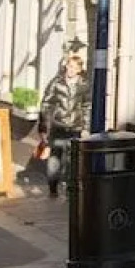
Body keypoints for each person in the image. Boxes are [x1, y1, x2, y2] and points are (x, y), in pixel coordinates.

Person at [38, 54, 89, 198]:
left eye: (73, 67)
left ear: (79, 69)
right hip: (58, 126)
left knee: (72, 160)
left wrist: (86, 128)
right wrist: (43, 127)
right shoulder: (56, 83)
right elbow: (45, 104)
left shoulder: (84, 85)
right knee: (55, 158)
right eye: (68, 65)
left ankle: (69, 190)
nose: (70, 69)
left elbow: (87, 106)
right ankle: (53, 188)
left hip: (75, 127)